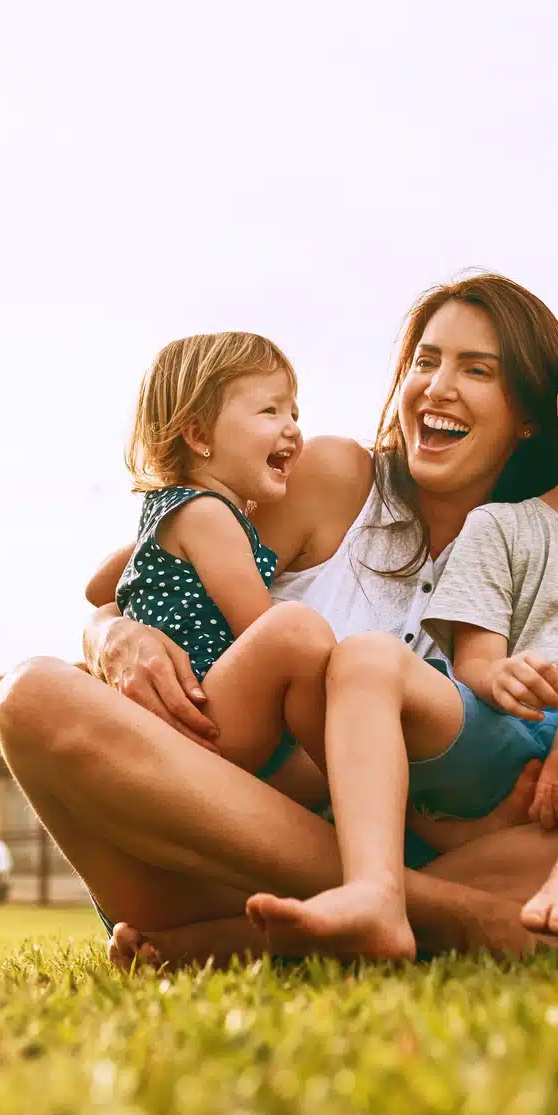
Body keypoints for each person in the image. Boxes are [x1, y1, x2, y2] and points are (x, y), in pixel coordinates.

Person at [0, 274, 558, 966]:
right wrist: (115, 635)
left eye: (476, 370)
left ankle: (289, 927)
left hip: (416, 851)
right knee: (30, 695)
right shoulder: (333, 479)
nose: (437, 387)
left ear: (533, 415)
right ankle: (450, 917)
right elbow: (152, 567)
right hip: (201, 844)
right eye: (425, 361)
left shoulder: (549, 553)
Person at [244, 301, 558, 960]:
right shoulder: (500, 527)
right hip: (515, 735)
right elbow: (474, 661)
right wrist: (497, 674)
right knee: (364, 658)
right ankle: (375, 894)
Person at [109, 330, 332, 806]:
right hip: (206, 714)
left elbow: (97, 588)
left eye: (294, 412)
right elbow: (262, 630)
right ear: (199, 435)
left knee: (332, 784)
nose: (292, 427)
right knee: (299, 634)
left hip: (187, 721)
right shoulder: (210, 515)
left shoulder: (166, 510)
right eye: (270, 411)